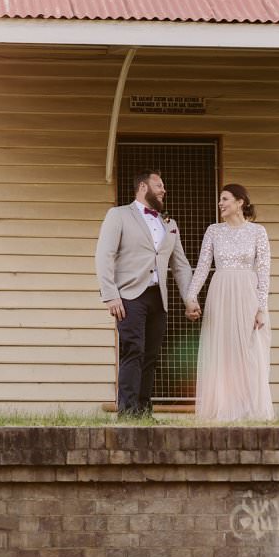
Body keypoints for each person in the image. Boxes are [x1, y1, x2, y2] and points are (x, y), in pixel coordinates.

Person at [95, 170, 193, 418]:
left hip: (158, 297)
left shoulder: (169, 223)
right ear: (142, 186)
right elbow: (104, 254)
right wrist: (110, 294)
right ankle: (127, 412)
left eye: (163, 186)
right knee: (133, 350)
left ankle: (143, 411)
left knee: (150, 355)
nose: (163, 190)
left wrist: (189, 299)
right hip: (129, 295)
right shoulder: (118, 215)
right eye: (159, 185)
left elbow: (180, 265)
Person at [185, 183, 274, 422]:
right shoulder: (214, 231)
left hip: (247, 293)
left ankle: (249, 407)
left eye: (225, 199)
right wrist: (191, 297)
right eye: (220, 199)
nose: (220, 204)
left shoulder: (258, 232)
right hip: (221, 292)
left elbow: (264, 271)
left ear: (239, 202)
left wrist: (261, 308)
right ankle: (225, 406)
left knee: (249, 349)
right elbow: (203, 267)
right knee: (223, 350)